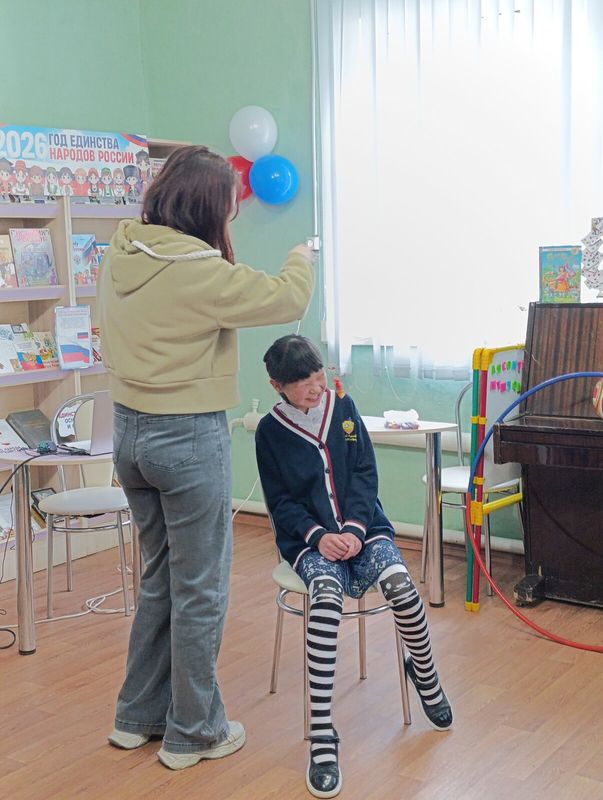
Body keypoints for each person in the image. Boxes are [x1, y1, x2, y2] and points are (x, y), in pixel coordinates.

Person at [98, 146, 314, 770]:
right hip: (187, 437)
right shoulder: (201, 271)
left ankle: (136, 717)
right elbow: (287, 300)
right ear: (207, 209)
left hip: (128, 433)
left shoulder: (120, 250)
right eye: (228, 209)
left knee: (160, 579)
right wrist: (302, 257)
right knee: (200, 589)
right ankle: (193, 731)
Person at [255, 335, 453, 799]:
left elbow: (365, 474)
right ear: (277, 386)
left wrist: (356, 529)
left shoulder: (343, 408)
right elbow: (280, 502)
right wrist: (319, 536)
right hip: (310, 542)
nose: (315, 387)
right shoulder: (269, 432)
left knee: (402, 588)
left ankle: (425, 674)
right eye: (302, 382)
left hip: (365, 529)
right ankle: (322, 734)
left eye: (318, 375)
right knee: (326, 603)